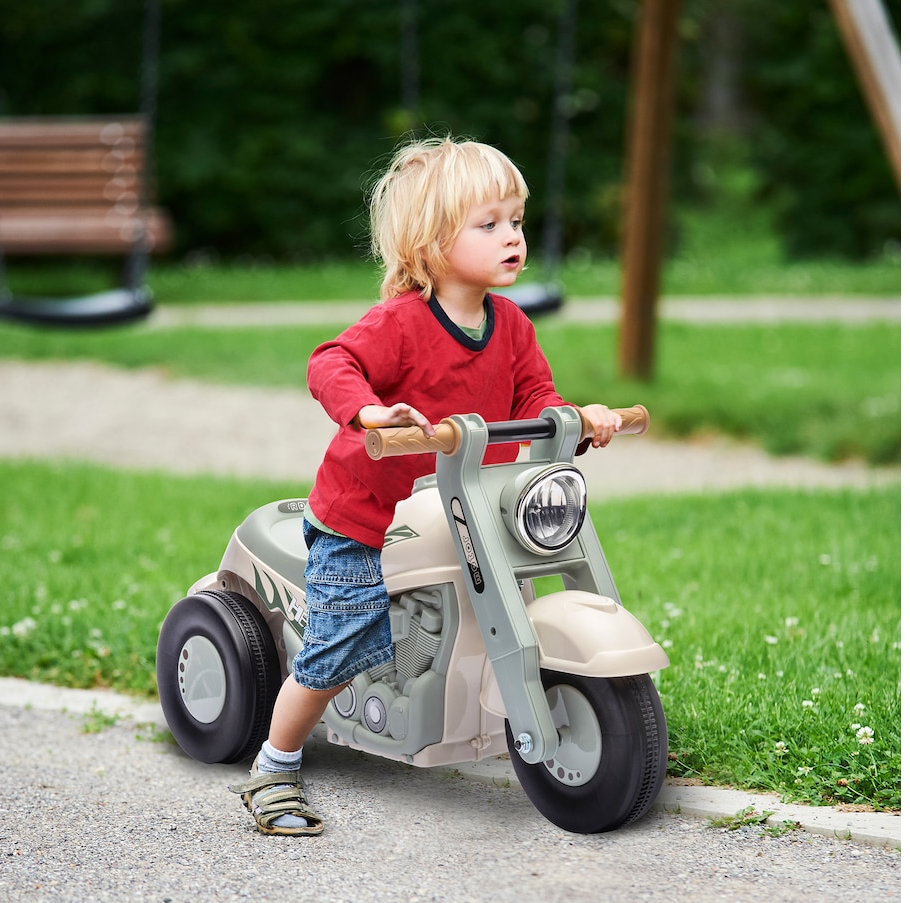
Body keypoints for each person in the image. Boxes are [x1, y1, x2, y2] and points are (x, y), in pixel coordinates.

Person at [228, 135, 621, 835]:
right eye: (488, 224)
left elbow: (536, 398)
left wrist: (577, 418)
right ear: (433, 244)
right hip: (366, 517)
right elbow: (332, 362)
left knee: (515, 589)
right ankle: (275, 766)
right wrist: (369, 412)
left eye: (516, 220)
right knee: (340, 645)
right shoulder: (402, 324)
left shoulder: (511, 326)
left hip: (465, 507)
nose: (512, 236)